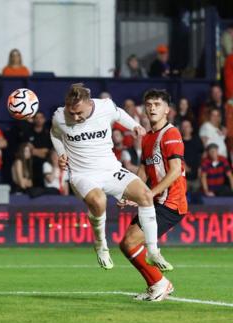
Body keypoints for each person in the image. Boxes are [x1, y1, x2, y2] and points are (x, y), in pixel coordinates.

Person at [50, 83, 171, 271]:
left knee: (146, 195)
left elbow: (120, 114)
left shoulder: (105, 107)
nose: (75, 117)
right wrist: (61, 153)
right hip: (83, 174)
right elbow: (54, 134)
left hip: (111, 169)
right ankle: (101, 244)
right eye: (71, 113)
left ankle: (153, 251)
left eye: (79, 113)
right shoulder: (59, 116)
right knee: (99, 201)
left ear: (90, 103)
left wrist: (135, 126)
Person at [118, 89, 187, 302]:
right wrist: (132, 192)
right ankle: (157, 284)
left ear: (167, 109)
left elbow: (175, 170)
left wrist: (147, 194)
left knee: (130, 242)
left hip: (170, 203)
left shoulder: (171, 134)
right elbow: (143, 171)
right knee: (126, 244)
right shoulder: (148, 138)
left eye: (157, 104)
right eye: (149, 104)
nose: (152, 108)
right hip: (154, 201)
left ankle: (160, 283)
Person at [22, 112, 52, 187]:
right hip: (31, 161)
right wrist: (40, 151)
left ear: (44, 120)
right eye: (37, 118)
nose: (39, 120)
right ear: (33, 119)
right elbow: (27, 151)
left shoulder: (48, 133)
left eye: (41, 118)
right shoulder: (28, 132)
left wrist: (34, 151)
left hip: (45, 161)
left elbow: (47, 151)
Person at [181, 120, 203, 193]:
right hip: (183, 178)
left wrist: (200, 170)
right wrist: (183, 165)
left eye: (187, 126)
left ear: (191, 129)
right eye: (183, 126)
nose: (185, 128)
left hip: (196, 177)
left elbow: (202, 155)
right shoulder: (178, 141)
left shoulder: (197, 140)